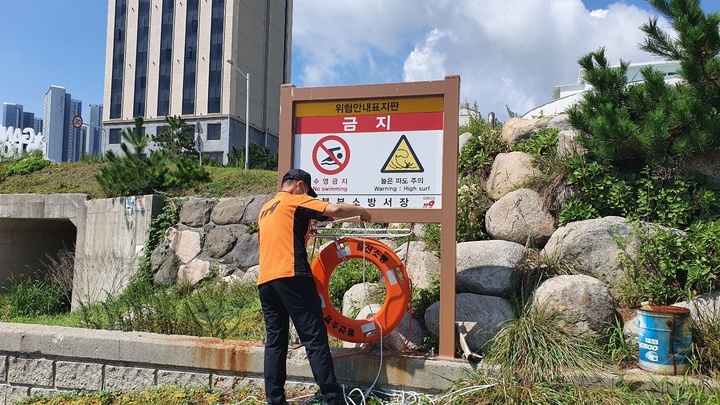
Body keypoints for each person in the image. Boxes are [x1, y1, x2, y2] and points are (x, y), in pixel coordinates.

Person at [257, 168, 372, 405]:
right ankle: (332, 399)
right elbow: (333, 210)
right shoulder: (297, 201)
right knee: (314, 340)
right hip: (292, 276)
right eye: (308, 191)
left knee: (275, 343)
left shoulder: (266, 209)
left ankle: (275, 400)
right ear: (300, 185)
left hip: (266, 281)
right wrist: (362, 211)